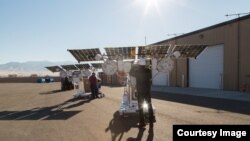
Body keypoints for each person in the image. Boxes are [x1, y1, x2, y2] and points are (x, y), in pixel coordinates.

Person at [129, 58, 156, 127]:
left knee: (141, 107)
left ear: (139, 64)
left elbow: (130, 72)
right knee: (149, 106)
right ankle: (151, 122)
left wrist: (133, 65)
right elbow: (150, 77)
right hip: (147, 91)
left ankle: (142, 123)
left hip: (140, 92)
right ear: (144, 64)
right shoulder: (148, 70)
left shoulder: (137, 71)